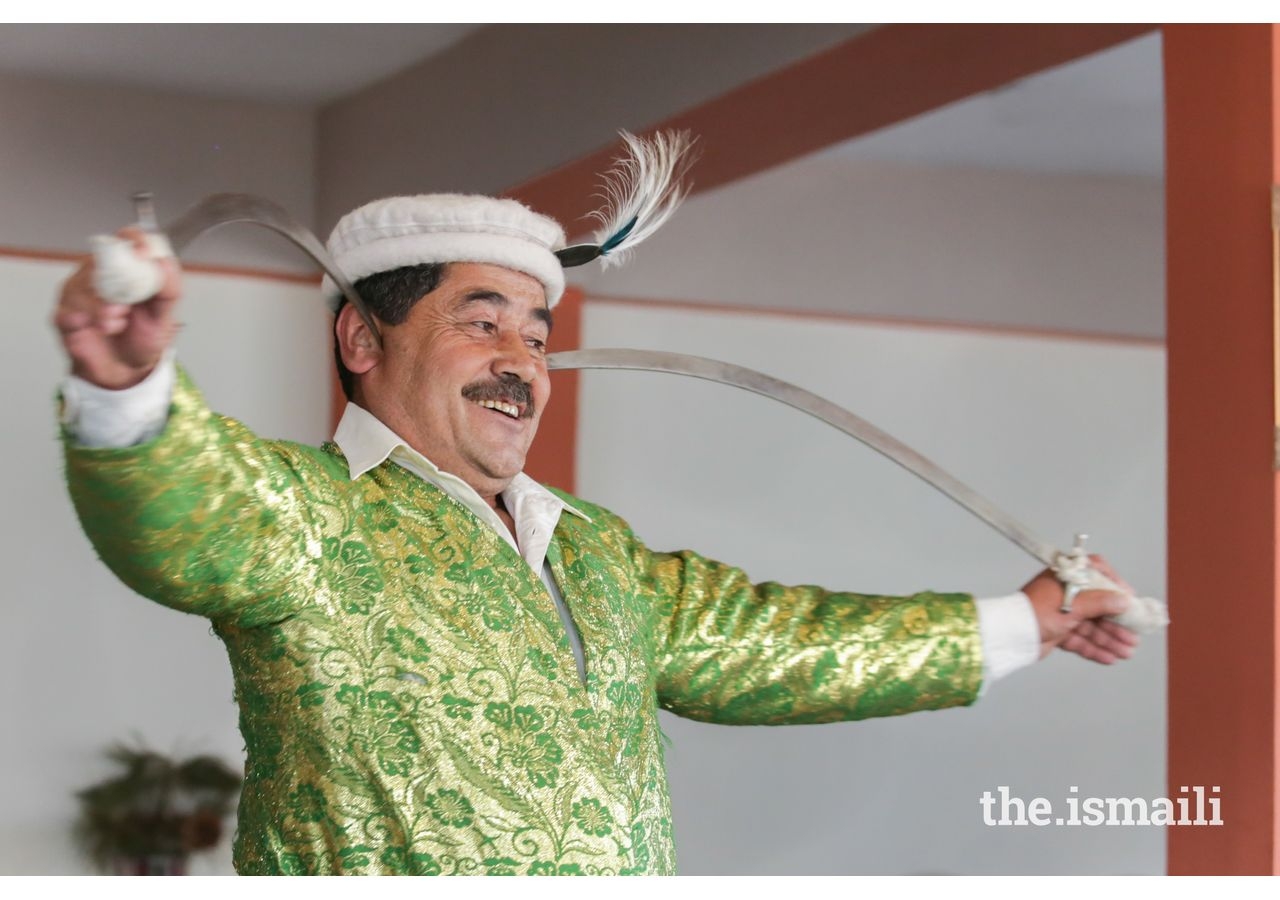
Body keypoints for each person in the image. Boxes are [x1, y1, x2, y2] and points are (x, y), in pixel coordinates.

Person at [54, 137, 1138, 876]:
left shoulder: (595, 552)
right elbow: (180, 501)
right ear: (360, 339)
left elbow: (782, 646)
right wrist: (125, 388)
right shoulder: (306, 517)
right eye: (481, 322)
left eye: (535, 333)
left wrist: (1024, 619)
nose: (519, 359)